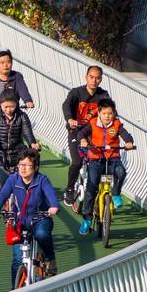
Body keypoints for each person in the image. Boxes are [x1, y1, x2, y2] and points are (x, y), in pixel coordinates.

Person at [0, 148, 59, 283]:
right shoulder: (13, 179)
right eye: (20, 165)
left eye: (27, 165)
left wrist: (54, 206)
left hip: (40, 218)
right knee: (17, 259)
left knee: (42, 234)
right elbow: (3, 194)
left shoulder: (42, 180)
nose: (22, 168)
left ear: (35, 167)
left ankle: (50, 258)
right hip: (20, 220)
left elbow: (51, 195)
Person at [77, 97, 134, 235]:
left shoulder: (117, 124)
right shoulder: (92, 123)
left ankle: (115, 193)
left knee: (121, 172)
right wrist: (83, 140)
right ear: (99, 113)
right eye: (104, 113)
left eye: (110, 113)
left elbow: (126, 135)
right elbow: (81, 133)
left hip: (112, 158)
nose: (107, 116)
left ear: (113, 113)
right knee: (91, 187)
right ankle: (87, 219)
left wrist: (128, 142)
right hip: (96, 159)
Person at [61, 65, 110, 205]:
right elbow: (66, 105)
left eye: (98, 78)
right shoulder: (77, 92)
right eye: (91, 77)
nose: (94, 80)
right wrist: (70, 119)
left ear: (101, 79)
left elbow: (110, 110)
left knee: (105, 161)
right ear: (86, 77)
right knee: (77, 162)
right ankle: (70, 188)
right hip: (76, 131)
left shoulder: (103, 95)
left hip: (94, 132)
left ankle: (105, 190)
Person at [0, 90, 40, 194]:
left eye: (11, 106)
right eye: (5, 107)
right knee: (1, 181)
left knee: (22, 181)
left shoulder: (22, 116)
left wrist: (33, 144)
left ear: (16, 104)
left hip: (17, 154)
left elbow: (27, 132)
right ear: (0, 105)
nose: (8, 110)